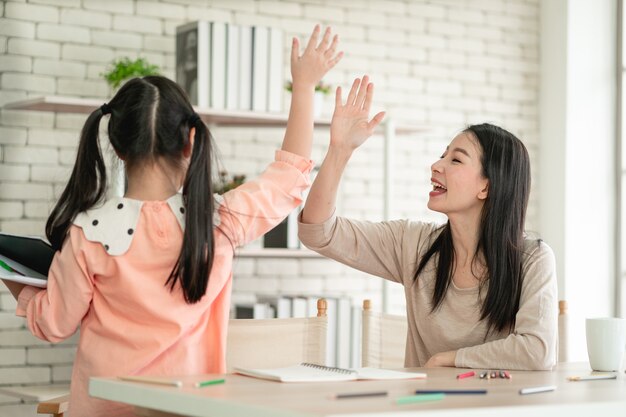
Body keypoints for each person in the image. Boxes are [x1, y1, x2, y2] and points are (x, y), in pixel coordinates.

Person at [1, 25, 343, 416]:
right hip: (189, 411)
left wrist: (13, 274)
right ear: (190, 142)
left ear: (116, 146)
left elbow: (53, 324)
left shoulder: (88, 234)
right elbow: (289, 179)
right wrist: (304, 86)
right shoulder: (221, 223)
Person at [298, 76, 558, 370]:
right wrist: (339, 150)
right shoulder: (414, 244)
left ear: (487, 187)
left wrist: (450, 359)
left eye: (456, 160)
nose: (436, 165)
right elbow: (318, 232)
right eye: (442, 155)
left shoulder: (532, 258)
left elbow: (537, 350)